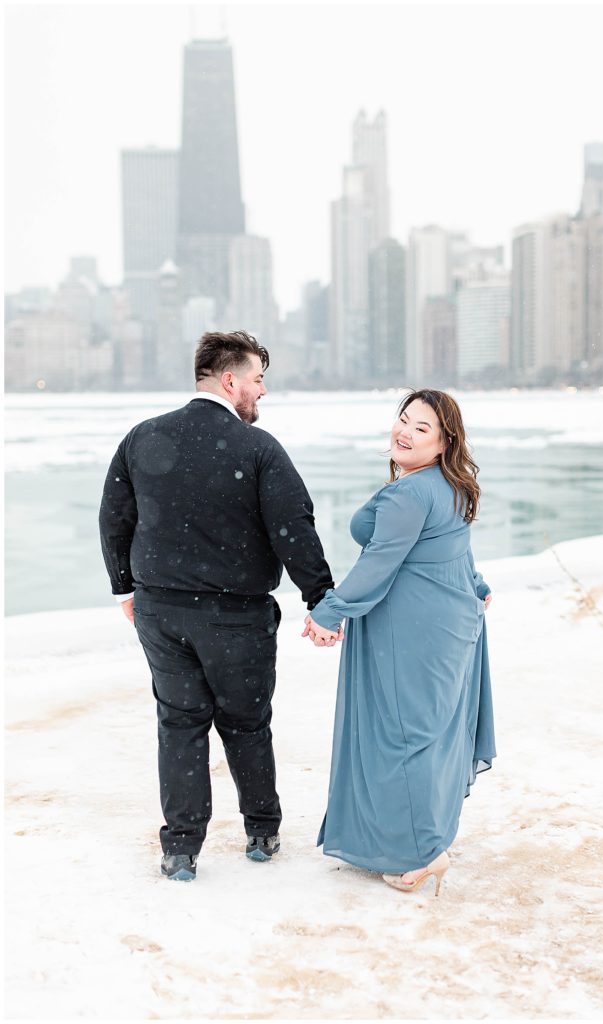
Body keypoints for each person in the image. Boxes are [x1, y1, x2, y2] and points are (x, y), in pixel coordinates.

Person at [99, 330, 340, 882]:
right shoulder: (257, 448)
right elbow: (293, 528)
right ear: (231, 381)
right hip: (236, 618)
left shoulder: (143, 436)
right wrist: (320, 597)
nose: (263, 391)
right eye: (258, 379)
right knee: (246, 722)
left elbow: (114, 517)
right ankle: (262, 831)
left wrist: (125, 589)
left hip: (161, 612)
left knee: (179, 723)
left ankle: (180, 849)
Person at [303, 388, 495, 896]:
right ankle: (419, 837)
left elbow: (378, 563)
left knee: (402, 736)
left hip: (409, 627)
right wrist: (477, 585)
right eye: (404, 420)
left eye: (421, 428)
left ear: (444, 442)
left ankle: (421, 851)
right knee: (428, 733)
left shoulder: (410, 494)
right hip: (448, 621)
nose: (405, 432)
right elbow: (456, 550)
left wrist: (329, 611)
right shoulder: (451, 485)